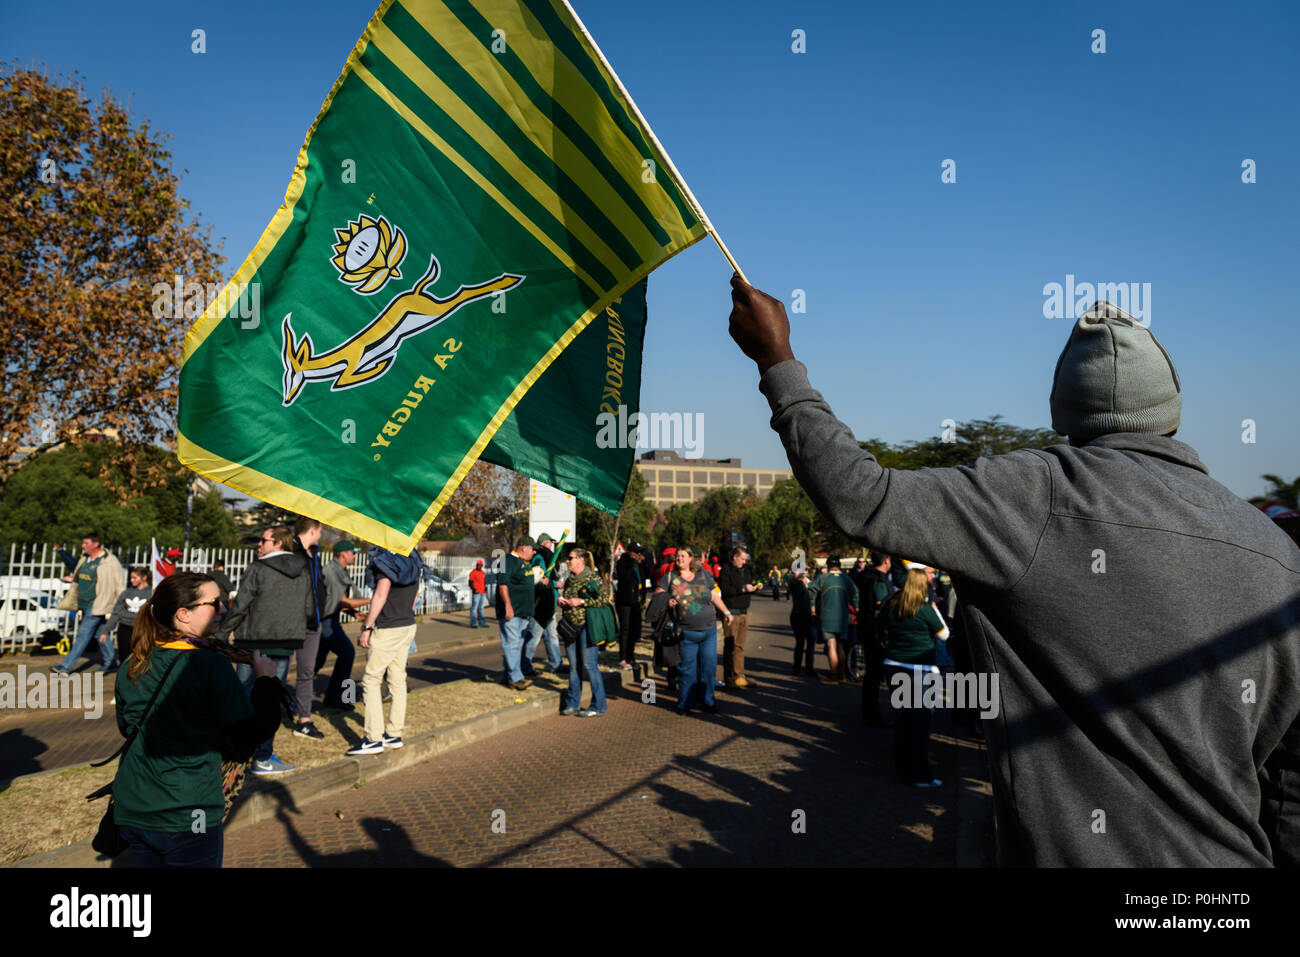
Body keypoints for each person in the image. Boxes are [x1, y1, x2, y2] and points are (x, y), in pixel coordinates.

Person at [729, 278, 1300, 866]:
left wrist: (779, 363)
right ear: (1172, 413)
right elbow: (1284, 773)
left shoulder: (1032, 499)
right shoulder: (1277, 555)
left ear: (1064, 413)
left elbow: (860, 493)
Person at [111, 572, 282, 867]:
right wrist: (266, 681)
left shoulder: (134, 660)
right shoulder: (209, 664)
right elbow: (251, 732)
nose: (224, 609)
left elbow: (128, 726)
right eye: (215, 603)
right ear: (183, 614)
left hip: (134, 807)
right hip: (188, 813)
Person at [214, 525, 312, 775]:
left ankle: (233, 752)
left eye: (263, 540)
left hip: (253, 640)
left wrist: (221, 635)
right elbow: (310, 609)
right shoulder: (304, 569)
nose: (258, 545)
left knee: (241, 696)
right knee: (269, 700)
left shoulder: (258, 568)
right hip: (286, 641)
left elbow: (241, 606)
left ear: (278, 543)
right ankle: (263, 755)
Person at [880, 566, 951, 787]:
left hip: (894, 665)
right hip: (919, 669)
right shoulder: (925, 609)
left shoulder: (891, 606)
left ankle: (902, 768)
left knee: (903, 719)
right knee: (920, 723)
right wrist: (934, 609)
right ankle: (920, 774)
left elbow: (879, 627)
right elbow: (944, 634)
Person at [347, 546, 422, 755]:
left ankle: (373, 738)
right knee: (397, 679)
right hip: (407, 624)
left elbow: (380, 595)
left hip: (388, 627)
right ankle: (394, 734)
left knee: (371, 679)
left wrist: (367, 627)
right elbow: (416, 594)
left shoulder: (385, 561)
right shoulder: (414, 559)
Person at [655, 546, 734, 716]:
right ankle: (685, 703)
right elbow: (657, 596)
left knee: (709, 668)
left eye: (683, 556)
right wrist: (668, 599)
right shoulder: (671, 577)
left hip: (709, 630)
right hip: (687, 632)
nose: (679, 559)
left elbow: (713, 596)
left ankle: (708, 701)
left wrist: (726, 612)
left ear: (691, 558)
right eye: (677, 556)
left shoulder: (703, 574)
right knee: (687, 670)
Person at [53, 533, 126, 674]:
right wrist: (72, 579)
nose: (83, 546)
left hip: (98, 604)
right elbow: (82, 575)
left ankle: (66, 667)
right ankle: (111, 662)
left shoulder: (109, 561)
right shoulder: (84, 559)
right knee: (100, 634)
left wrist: (119, 603)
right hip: (84, 603)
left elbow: (119, 584)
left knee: (83, 634)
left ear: (96, 544)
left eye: (86, 543)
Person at [316, 541, 370, 711]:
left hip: (328, 619)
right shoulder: (332, 572)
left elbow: (336, 601)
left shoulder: (340, 570)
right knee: (347, 652)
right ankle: (337, 697)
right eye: (352, 552)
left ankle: (332, 697)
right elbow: (343, 601)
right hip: (326, 621)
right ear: (343, 554)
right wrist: (375, 600)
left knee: (315, 662)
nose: (355, 555)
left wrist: (353, 614)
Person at [557, 548, 612, 716]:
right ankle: (573, 703)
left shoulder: (592, 578)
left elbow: (603, 599)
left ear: (581, 560)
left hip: (587, 626)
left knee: (589, 665)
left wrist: (580, 601)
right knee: (574, 666)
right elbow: (568, 597)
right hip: (571, 627)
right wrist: (563, 601)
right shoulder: (570, 580)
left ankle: (598, 705)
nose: (568, 561)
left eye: (571, 558)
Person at [289, 517, 328, 740]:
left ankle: (304, 720)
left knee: (306, 672)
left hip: (313, 623)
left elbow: (318, 585)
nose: (322, 534)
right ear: (314, 529)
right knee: (276, 671)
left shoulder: (315, 555)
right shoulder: (292, 552)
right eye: (321, 529)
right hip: (291, 623)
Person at [808, 555, 857, 683]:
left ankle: (834, 675)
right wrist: (856, 608)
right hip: (843, 617)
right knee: (841, 645)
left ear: (828, 566)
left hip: (827, 617)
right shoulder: (847, 579)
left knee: (831, 646)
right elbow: (856, 595)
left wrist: (813, 609)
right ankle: (843, 675)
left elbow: (811, 592)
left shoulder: (823, 578)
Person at [496, 535, 537, 690]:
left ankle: (507, 676)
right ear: (524, 547)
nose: (534, 552)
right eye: (533, 549)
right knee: (512, 644)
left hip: (523, 613)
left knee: (516, 645)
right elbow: (502, 585)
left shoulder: (524, 563)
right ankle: (516, 678)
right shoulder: (505, 561)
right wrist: (508, 606)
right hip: (511, 612)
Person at [717, 545, 761, 688]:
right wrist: (742, 589)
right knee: (730, 646)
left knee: (740, 647)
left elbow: (749, 584)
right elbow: (724, 589)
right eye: (742, 559)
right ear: (735, 557)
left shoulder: (747, 570)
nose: (744, 562)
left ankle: (739, 676)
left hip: (744, 612)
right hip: (731, 613)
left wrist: (755, 586)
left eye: (746, 559)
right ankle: (729, 678)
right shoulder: (726, 570)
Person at [860, 552, 894, 726]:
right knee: (874, 675)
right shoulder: (879, 582)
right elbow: (883, 609)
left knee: (871, 675)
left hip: (868, 631)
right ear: (886, 560)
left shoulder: (867, 577)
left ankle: (869, 710)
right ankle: (872, 714)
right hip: (875, 634)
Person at [96, 566, 151, 673]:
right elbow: (116, 613)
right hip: (125, 628)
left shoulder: (152, 593)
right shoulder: (126, 593)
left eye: (135, 578)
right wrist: (106, 630)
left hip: (142, 629)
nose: (131, 580)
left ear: (144, 578)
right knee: (125, 658)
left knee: (142, 657)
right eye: (131, 578)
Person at [524, 533, 563, 676]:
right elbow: (538, 579)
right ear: (543, 543)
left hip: (548, 603)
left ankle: (556, 664)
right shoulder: (540, 557)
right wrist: (555, 584)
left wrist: (556, 596)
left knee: (552, 635)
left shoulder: (546, 557)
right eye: (549, 543)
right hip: (540, 603)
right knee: (534, 636)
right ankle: (525, 666)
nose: (551, 545)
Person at [614, 543, 646, 670]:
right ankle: (622, 658)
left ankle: (631, 657)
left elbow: (645, 579)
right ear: (630, 552)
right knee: (625, 629)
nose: (639, 555)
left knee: (634, 630)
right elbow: (625, 578)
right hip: (625, 601)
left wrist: (642, 562)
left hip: (636, 602)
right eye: (636, 552)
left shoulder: (640, 564)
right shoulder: (623, 562)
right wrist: (632, 562)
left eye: (640, 553)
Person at [789, 568, 816, 675]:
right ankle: (797, 668)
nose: (804, 571)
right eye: (801, 569)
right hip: (798, 616)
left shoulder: (812, 583)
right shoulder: (796, 583)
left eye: (806, 569)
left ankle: (809, 669)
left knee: (811, 643)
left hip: (811, 617)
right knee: (800, 643)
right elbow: (793, 579)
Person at [468, 559, 488, 627]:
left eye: (480, 565)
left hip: (482, 592)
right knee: (474, 608)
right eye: (478, 565)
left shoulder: (482, 572)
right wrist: (474, 590)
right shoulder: (473, 572)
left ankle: (482, 623)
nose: (479, 566)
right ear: (476, 565)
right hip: (476, 593)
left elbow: (483, 582)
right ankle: (473, 623)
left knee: (481, 608)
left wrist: (485, 588)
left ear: (482, 565)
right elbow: (470, 583)